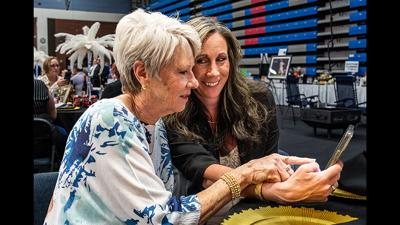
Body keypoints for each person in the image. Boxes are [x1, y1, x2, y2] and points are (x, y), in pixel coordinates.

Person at [44, 9, 311, 225]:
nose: (195, 82)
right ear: (143, 73)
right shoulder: (109, 120)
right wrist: (243, 175)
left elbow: (175, 200)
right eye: (184, 71)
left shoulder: (156, 124)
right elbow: (166, 219)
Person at [164, 16, 343, 224]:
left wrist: (301, 182)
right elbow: (204, 173)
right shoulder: (175, 110)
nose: (213, 71)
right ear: (187, 64)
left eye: (221, 59)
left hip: (258, 210)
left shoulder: (259, 98)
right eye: (201, 60)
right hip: (209, 212)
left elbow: (270, 163)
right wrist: (275, 191)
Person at [33, 78, 68, 164]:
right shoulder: (40, 85)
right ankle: (63, 165)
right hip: (43, 137)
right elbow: (53, 116)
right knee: (64, 133)